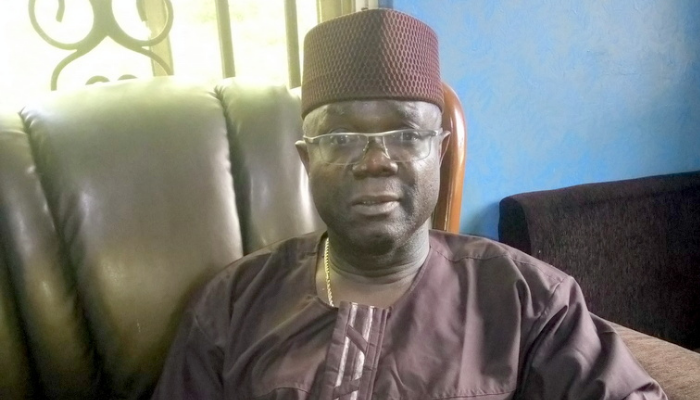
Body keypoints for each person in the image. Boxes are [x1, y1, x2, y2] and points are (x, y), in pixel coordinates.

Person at [152, 9, 666, 399]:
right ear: (307, 160)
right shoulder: (233, 304)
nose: (375, 161)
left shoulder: (530, 302)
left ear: (438, 151)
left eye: (405, 134)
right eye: (341, 138)